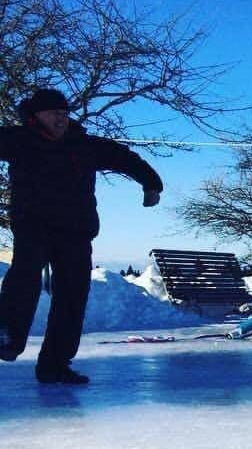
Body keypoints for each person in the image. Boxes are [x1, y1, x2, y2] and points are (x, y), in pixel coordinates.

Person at [0, 88, 163, 383]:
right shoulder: (17, 140)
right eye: (54, 114)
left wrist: (151, 183)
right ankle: (8, 337)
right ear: (36, 115)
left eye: (64, 114)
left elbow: (124, 158)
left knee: (73, 296)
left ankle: (55, 365)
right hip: (33, 225)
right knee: (26, 274)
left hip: (76, 230)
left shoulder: (83, 144)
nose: (61, 119)